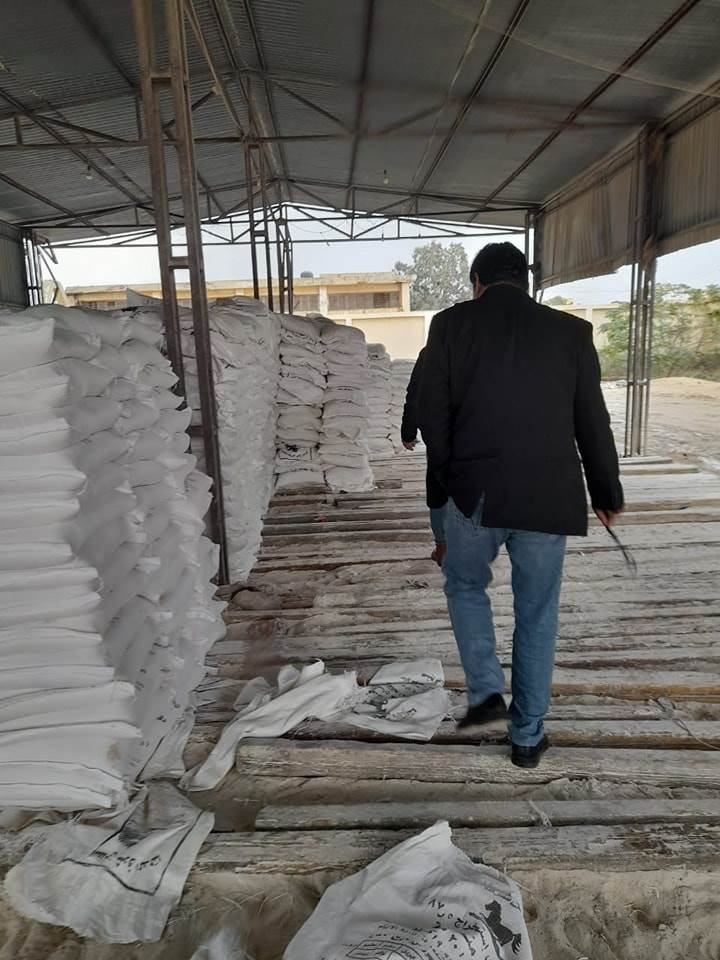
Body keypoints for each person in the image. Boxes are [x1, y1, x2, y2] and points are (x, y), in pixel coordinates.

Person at [417, 242, 623, 769]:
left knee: (465, 587)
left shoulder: (449, 325)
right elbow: (592, 420)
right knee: (537, 612)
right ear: (524, 282)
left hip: (475, 494)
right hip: (547, 497)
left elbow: (433, 415)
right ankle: (527, 736)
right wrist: (605, 492)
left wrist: (446, 486)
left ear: (477, 282)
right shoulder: (572, 332)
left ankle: (487, 692)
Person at [400, 348, 448, 565]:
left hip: (439, 432)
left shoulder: (432, 352)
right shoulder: (481, 348)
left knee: (439, 488)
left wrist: (408, 431)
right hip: (474, 432)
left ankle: (443, 547)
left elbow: (415, 393)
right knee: (471, 489)